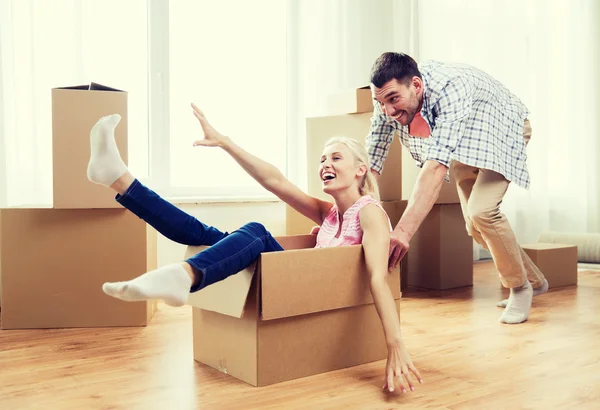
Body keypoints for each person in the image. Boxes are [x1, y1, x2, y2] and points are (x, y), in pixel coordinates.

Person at [86, 103, 423, 393]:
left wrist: (395, 344)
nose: (325, 164)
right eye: (322, 159)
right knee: (205, 234)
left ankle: (185, 275)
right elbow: (274, 181)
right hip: (289, 283)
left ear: (360, 169)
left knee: (257, 233)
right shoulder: (330, 213)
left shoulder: (370, 214)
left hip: (303, 295)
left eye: (336, 157)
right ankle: (119, 179)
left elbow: (378, 279)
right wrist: (225, 143)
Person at [365, 52, 548, 325]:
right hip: (467, 141)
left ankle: (519, 288)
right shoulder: (385, 97)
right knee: (474, 226)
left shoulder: (451, 88)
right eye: (381, 102)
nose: (388, 111)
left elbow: (436, 166)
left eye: (393, 100)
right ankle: (533, 279)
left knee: (482, 212)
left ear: (416, 85)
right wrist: (352, 206)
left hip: (503, 130)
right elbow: (374, 153)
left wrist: (402, 232)